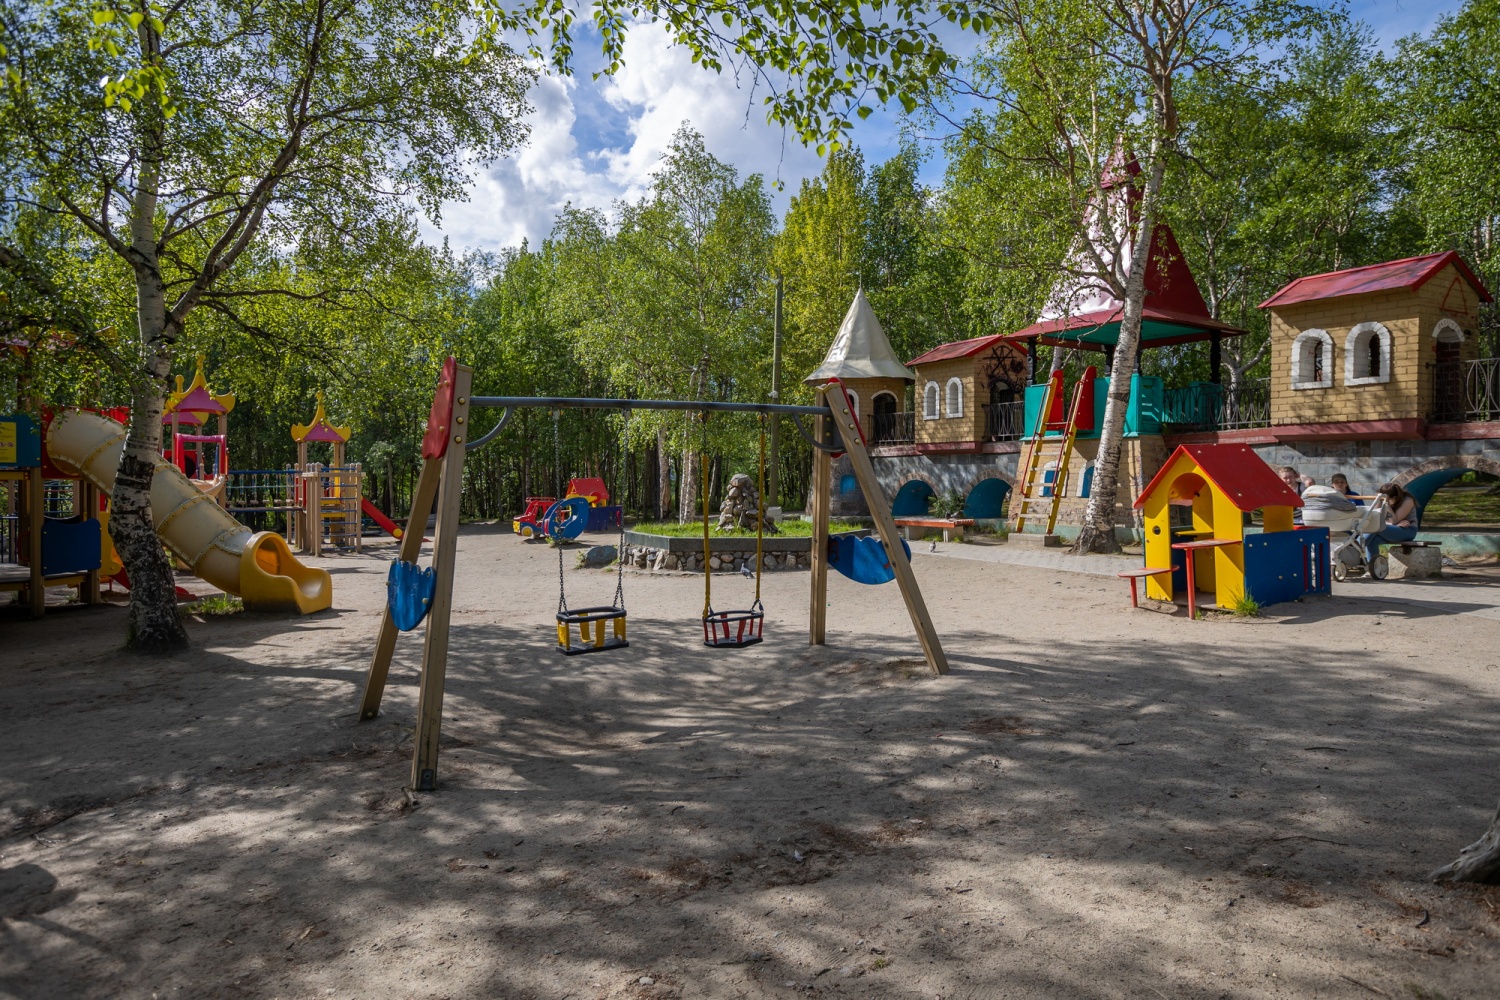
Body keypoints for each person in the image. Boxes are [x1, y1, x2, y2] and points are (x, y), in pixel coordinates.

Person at [1361, 483, 1419, 566]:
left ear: (1395, 497)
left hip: (1407, 530)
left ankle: (1355, 546)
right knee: (1373, 540)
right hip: (1390, 528)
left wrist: (1386, 503)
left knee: (1376, 527)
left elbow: (1394, 520)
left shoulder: (1408, 500)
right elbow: (1373, 518)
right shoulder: (1381, 500)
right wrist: (1379, 502)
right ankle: (1373, 568)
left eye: (1387, 499)